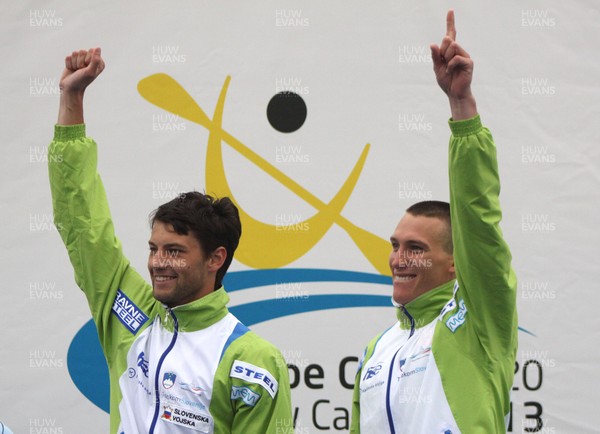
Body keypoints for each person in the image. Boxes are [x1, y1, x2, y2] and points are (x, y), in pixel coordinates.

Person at [49, 48, 292, 433]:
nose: (158, 262)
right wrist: (71, 100)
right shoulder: (128, 308)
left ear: (216, 259)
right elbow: (82, 222)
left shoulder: (252, 361)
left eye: (175, 251)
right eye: (154, 249)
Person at [350, 11, 517, 433]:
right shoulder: (377, 351)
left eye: (416, 248)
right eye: (395, 245)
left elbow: (478, 217)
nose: (399, 259)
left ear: (456, 263)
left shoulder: (478, 318)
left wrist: (462, 107)